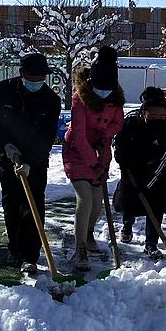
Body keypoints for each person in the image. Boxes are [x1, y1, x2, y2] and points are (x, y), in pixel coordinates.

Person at [0, 53, 61, 274]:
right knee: (12, 205)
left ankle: (30, 255)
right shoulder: (3, 90)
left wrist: (29, 162)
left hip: (35, 161)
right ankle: (14, 250)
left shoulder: (51, 100)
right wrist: (3, 145)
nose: (36, 82)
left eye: (40, 79)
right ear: (22, 74)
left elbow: (46, 137)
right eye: (32, 78)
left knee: (33, 205)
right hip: (7, 158)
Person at [62, 46, 125, 271]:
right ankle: (79, 247)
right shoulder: (81, 98)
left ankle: (89, 234)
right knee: (85, 198)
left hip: (101, 152)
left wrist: (104, 136)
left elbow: (118, 123)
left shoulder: (115, 98)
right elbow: (79, 137)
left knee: (97, 202)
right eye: (99, 88)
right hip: (77, 153)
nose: (103, 92)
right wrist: (94, 164)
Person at [114, 87, 166, 260]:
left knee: (157, 205)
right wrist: (122, 160)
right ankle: (127, 226)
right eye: (152, 116)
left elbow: (165, 157)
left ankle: (151, 243)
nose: (157, 119)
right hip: (132, 167)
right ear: (144, 112)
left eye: (161, 116)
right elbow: (119, 142)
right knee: (129, 201)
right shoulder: (131, 120)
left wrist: (150, 182)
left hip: (157, 170)